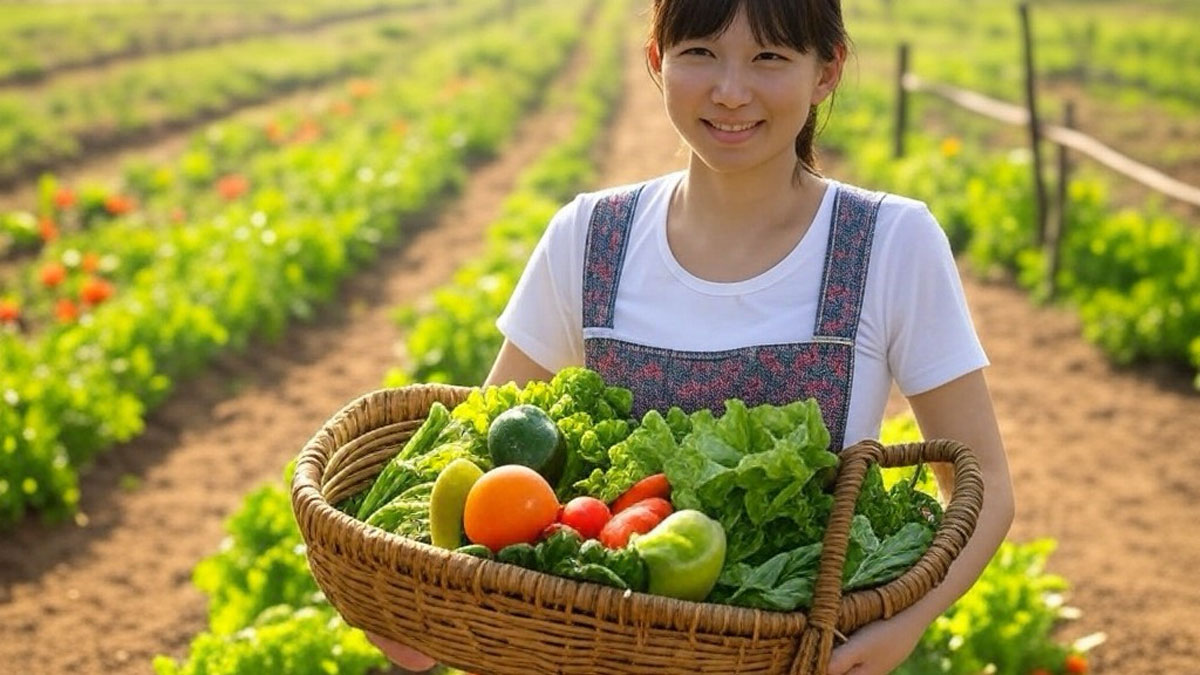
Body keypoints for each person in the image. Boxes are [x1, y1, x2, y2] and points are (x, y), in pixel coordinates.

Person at [369, 0, 1015, 673]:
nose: (731, 91)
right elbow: (486, 460)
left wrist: (905, 624)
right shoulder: (589, 238)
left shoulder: (887, 244)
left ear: (827, 70)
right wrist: (425, 607)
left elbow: (983, 483)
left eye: (770, 57)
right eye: (701, 52)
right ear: (657, 59)